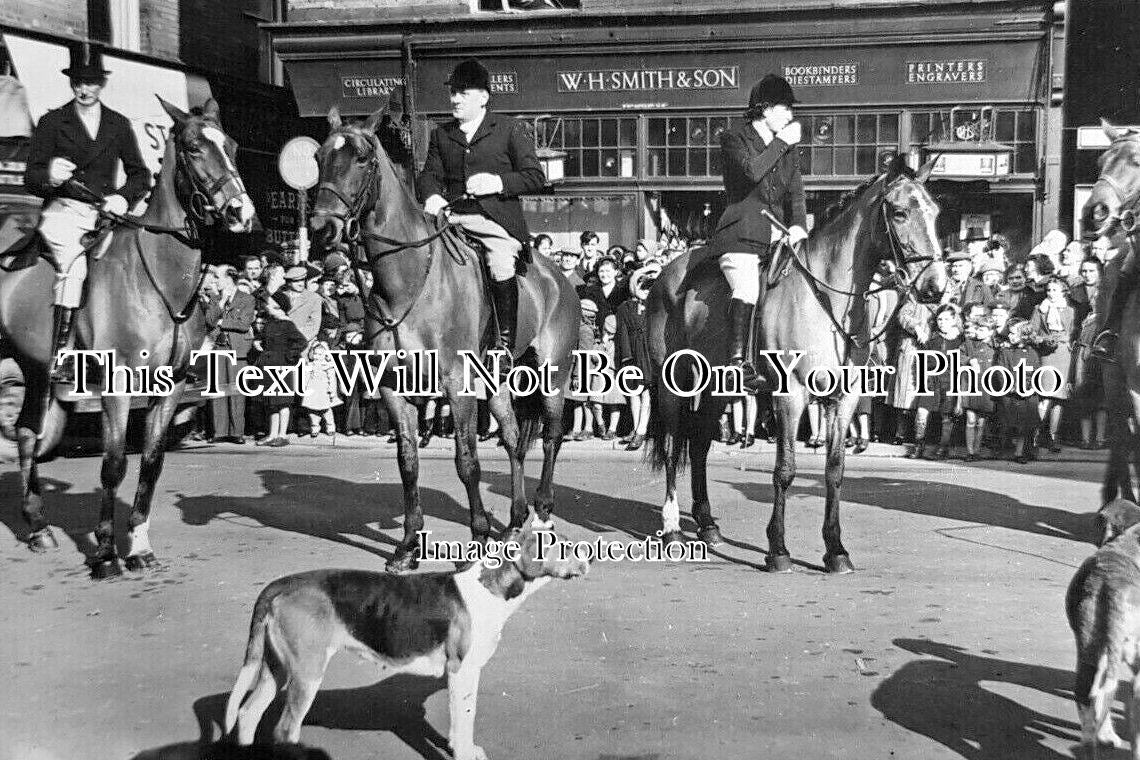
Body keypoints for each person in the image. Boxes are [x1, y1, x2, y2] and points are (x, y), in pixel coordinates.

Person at [25, 41, 150, 381]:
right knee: (75, 269)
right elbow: (31, 176)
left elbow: (140, 173)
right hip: (65, 211)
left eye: (91, 82)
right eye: (78, 82)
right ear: (71, 84)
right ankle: (62, 353)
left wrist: (123, 197)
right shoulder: (52, 122)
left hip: (106, 214)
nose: (84, 89)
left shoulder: (118, 123)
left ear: (101, 84)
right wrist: (49, 175)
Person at [417, 58, 546, 374]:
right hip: (450, 217)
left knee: (500, 262)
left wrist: (498, 183)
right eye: (453, 93)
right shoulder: (441, 135)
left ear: (484, 97)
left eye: (462, 92)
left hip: (494, 221)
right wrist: (432, 196)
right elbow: (428, 174)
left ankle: (503, 347)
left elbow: (534, 176)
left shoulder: (509, 128)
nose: (455, 99)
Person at [713, 73, 807, 386]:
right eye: (786, 109)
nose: (792, 116)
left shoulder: (789, 148)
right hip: (741, 234)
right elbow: (752, 172)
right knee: (748, 289)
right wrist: (782, 143)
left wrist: (798, 226)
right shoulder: (734, 137)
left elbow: (796, 191)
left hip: (778, 236)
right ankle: (737, 362)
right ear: (766, 110)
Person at [203, 265, 256, 443]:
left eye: (218, 277)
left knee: (236, 391)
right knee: (218, 390)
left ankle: (236, 432)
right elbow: (210, 321)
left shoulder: (247, 299)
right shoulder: (215, 298)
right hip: (218, 348)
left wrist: (221, 321)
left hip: (237, 349)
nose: (215, 281)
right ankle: (219, 432)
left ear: (228, 278)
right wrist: (220, 303)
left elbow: (244, 324)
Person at [300, 340, 341, 440]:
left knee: (326, 409)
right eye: (315, 353)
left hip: (324, 390)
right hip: (313, 389)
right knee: (312, 410)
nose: (317, 356)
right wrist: (304, 387)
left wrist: (332, 390)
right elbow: (306, 376)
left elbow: (332, 379)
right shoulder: (310, 365)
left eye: (320, 354)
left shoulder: (327, 366)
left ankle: (330, 426)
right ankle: (314, 427)